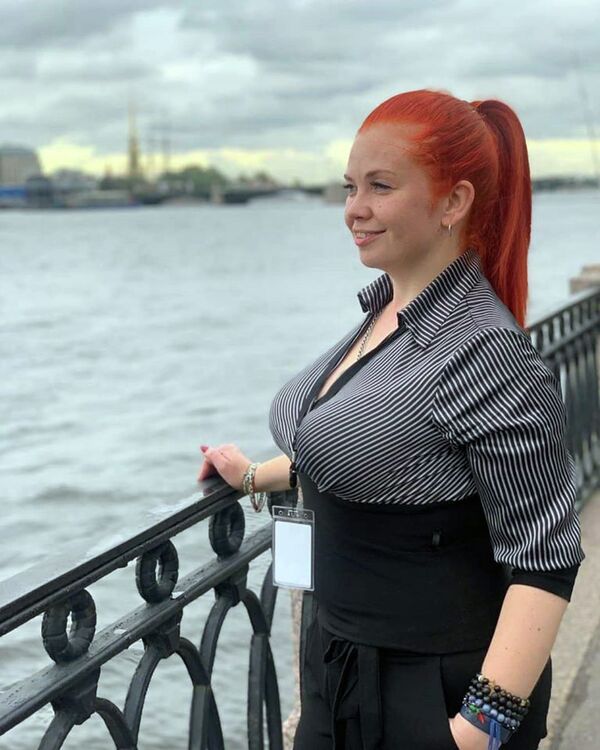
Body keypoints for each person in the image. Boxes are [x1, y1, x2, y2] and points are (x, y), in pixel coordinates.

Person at [197, 89, 585, 750]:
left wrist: (476, 731)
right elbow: (381, 450)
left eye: (380, 186)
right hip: (341, 666)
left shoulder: (485, 351)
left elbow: (545, 558)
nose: (353, 208)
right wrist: (255, 475)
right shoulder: (387, 314)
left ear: (453, 202)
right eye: (351, 186)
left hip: (431, 690)